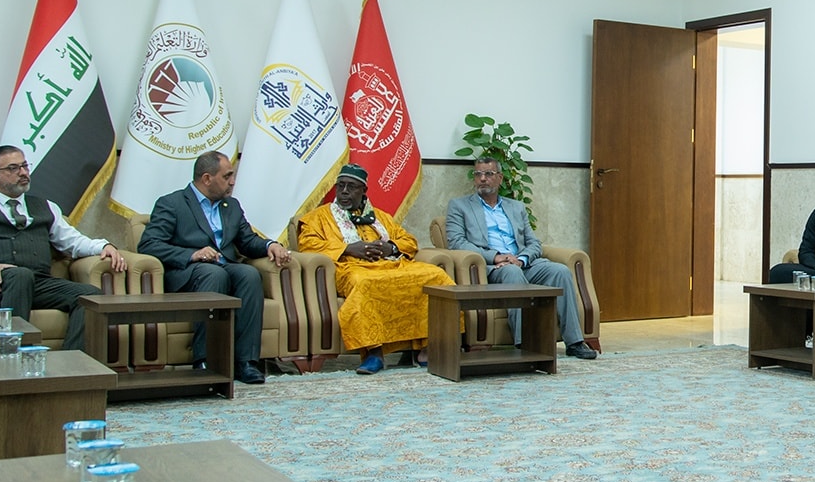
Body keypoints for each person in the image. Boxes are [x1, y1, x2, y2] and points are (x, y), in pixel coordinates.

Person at [0, 145, 128, 353]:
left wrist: (103, 245)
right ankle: (12, 354)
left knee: (90, 296)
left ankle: (73, 360)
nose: (22, 173)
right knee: (20, 276)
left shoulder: (46, 206)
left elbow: (72, 241)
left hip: (38, 283)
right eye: (13, 168)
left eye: (24, 166)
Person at [139, 150, 292, 386]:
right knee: (213, 273)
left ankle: (246, 362)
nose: (232, 182)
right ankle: (205, 361)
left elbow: (247, 241)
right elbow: (149, 244)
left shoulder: (231, 206)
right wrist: (192, 255)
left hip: (223, 268)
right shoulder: (172, 204)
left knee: (249, 274)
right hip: (189, 273)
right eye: (227, 176)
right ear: (207, 178)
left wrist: (270, 245)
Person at [297, 163, 453, 376]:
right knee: (364, 283)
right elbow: (308, 245)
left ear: (363, 191)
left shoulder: (380, 217)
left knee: (435, 276)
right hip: (350, 268)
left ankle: (426, 347)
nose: (344, 191)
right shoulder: (318, 218)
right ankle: (374, 352)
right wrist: (349, 248)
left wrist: (391, 247)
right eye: (340, 186)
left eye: (351, 187)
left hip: (391, 265)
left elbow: (408, 241)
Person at [445, 157, 598, 360]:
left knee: (560, 271)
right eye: (478, 174)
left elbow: (533, 242)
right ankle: (524, 344)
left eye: (488, 174)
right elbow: (457, 242)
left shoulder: (515, 207)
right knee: (512, 272)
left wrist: (522, 259)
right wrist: (496, 257)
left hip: (522, 263)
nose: (482, 179)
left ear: (500, 178)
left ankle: (574, 342)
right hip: (493, 268)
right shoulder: (460, 206)